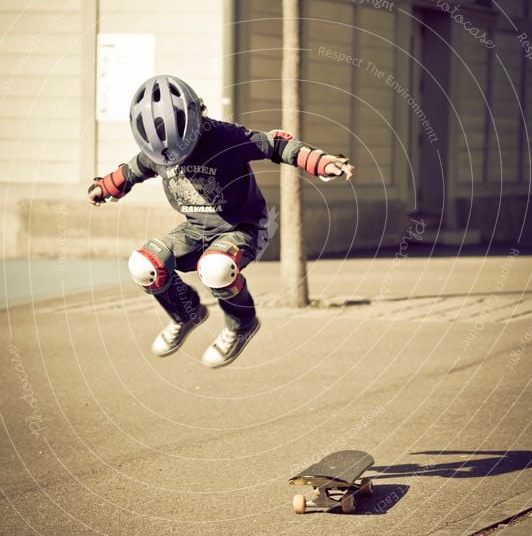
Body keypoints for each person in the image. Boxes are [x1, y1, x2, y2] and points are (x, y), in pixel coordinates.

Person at [88, 75, 354, 368]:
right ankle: (186, 313)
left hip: (243, 227)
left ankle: (242, 324)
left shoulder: (225, 137)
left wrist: (321, 162)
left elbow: (276, 145)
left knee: (215, 268)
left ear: (196, 122)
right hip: (194, 230)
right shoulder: (156, 151)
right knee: (145, 265)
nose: (174, 160)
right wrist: (105, 187)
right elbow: (131, 171)